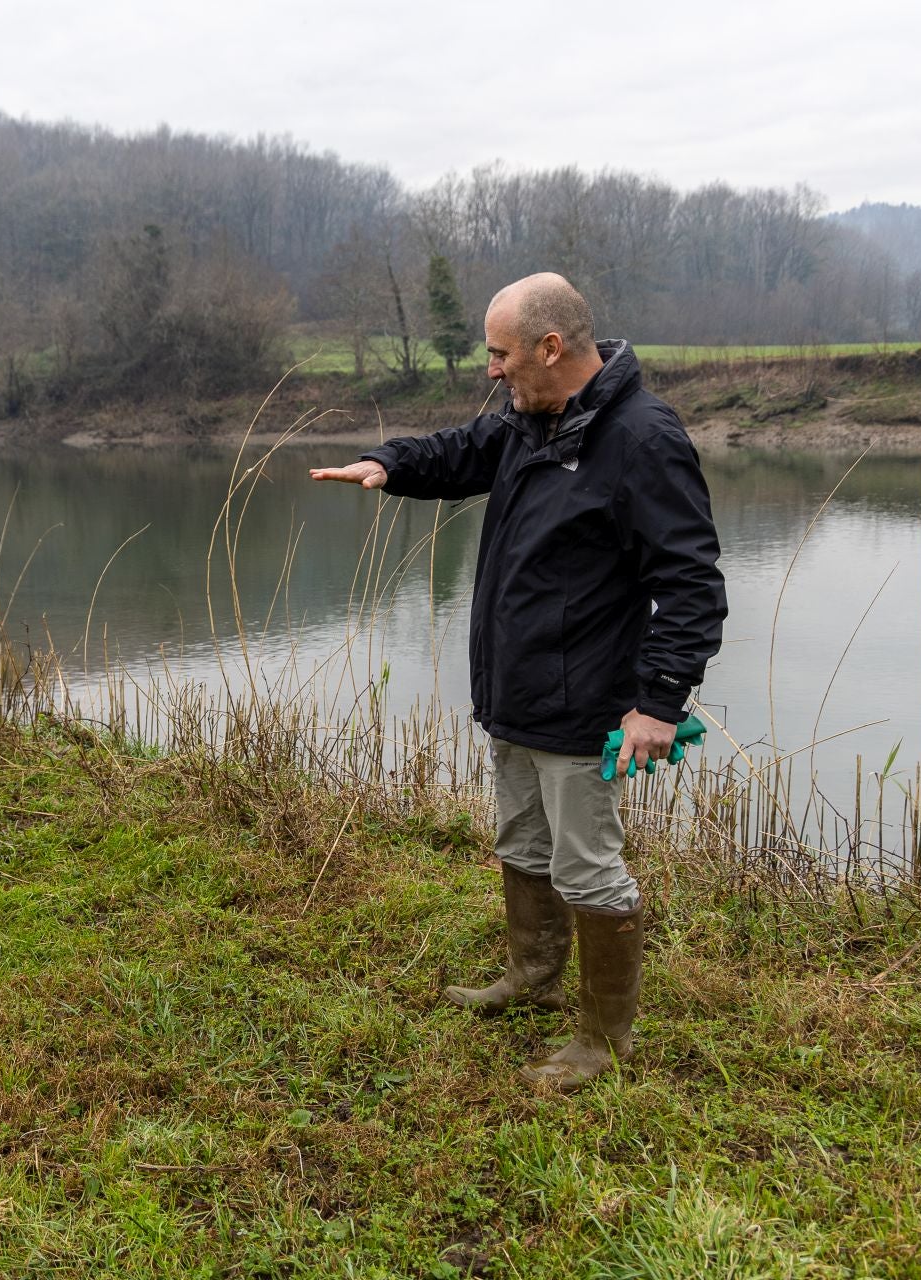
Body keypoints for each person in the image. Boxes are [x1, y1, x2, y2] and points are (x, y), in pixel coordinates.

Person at [310, 273, 726, 1089]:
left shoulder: (642, 438)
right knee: (523, 845)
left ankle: (606, 1043)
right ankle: (532, 980)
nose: (492, 371)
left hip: (586, 706)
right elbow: (461, 450)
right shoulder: (532, 420)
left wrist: (659, 703)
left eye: (501, 354)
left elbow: (691, 582)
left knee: (589, 870)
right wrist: (386, 463)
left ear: (551, 347)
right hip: (518, 693)